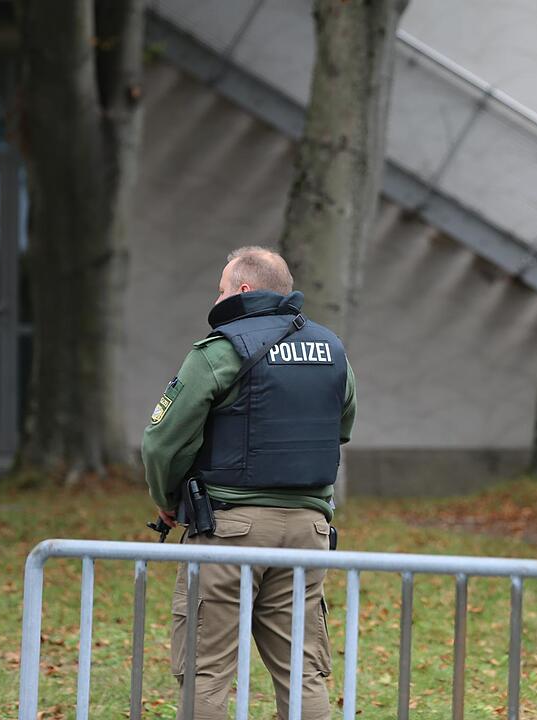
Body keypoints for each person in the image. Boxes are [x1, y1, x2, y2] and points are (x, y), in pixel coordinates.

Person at [143, 246, 356, 720]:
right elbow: (341, 424)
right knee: (303, 670)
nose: (216, 299)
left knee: (207, 670)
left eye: (221, 289)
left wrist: (167, 499)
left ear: (243, 290)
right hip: (308, 533)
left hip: (227, 531)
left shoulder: (219, 351)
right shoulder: (331, 348)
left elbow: (162, 441)